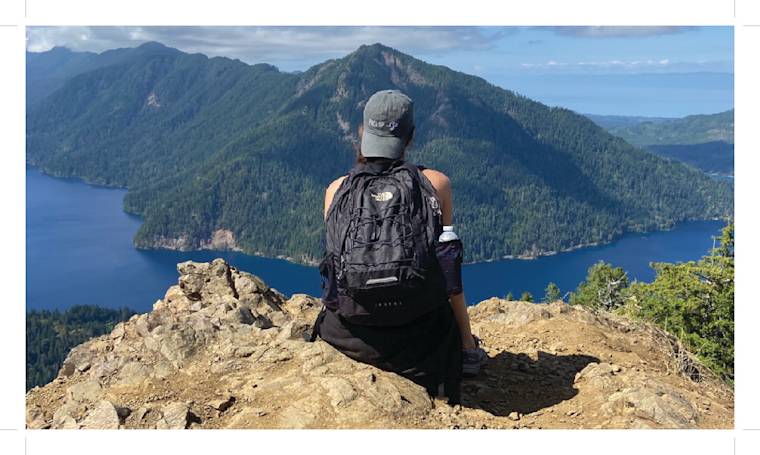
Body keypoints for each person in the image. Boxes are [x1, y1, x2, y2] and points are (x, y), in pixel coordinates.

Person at [312, 89, 487, 403]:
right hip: (423, 346)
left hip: (350, 340)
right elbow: (449, 275)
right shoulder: (436, 184)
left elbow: (335, 274)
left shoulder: (336, 190)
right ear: (410, 137)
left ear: (363, 133)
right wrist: (467, 347)